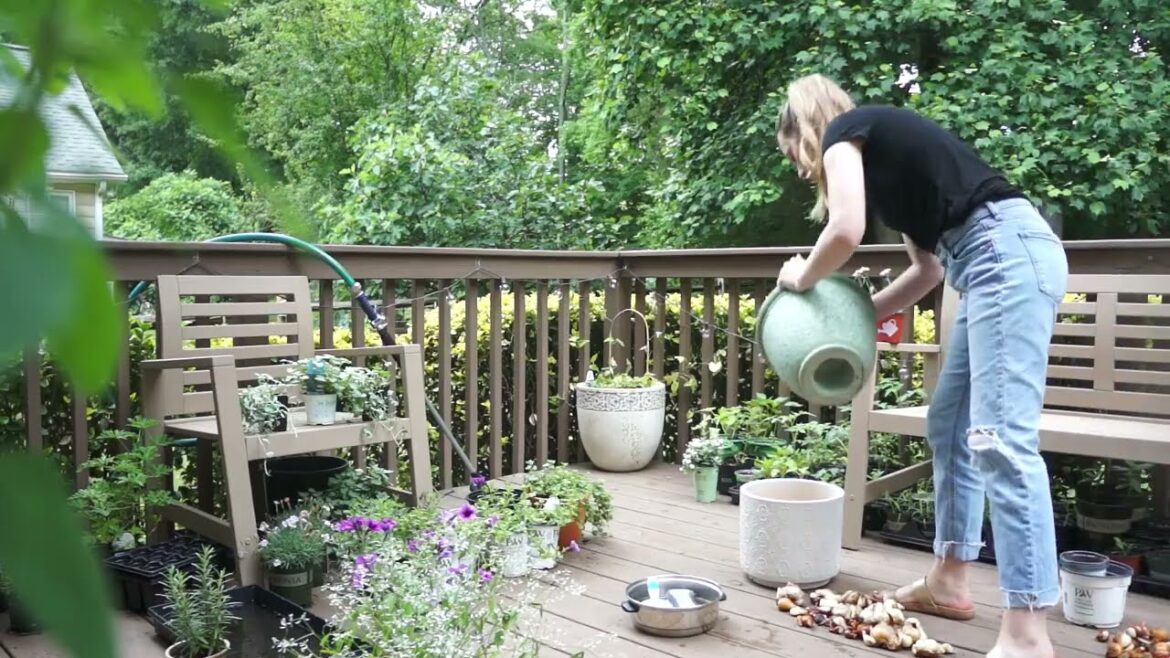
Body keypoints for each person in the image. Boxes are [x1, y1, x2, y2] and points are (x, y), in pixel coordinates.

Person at [773, 74, 1068, 658]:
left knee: (1000, 442)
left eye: (796, 157)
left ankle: (1029, 635)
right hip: (982, 264)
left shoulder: (843, 130)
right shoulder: (891, 167)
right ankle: (950, 580)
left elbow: (845, 232)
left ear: (805, 128)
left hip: (1003, 258)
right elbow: (927, 272)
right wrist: (851, 320)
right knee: (951, 426)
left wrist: (801, 276)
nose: (804, 170)